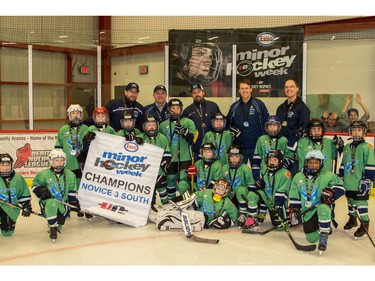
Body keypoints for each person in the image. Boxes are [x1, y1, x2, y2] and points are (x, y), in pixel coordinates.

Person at [288, 150, 345, 254]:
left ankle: (324, 234)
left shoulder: (328, 175)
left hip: (322, 207)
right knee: (311, 238)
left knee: (323, 208)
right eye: (310, 162)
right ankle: (326, 226)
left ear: (321, 163)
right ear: (306, 163)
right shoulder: (298, 176)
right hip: (308, 211)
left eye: (316, 163)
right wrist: (295, 209)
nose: (313, 165)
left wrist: (331, 194)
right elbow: (294, 194)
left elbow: (341, 188)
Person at [32, 149, 81, 241]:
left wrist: (73, 202)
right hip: (48, 202)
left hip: (63, 203)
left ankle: (55, 225)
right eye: (56, 160)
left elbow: (71, 190)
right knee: (52, 204)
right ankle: (52, 227)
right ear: (51, 161)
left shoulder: (70, 175)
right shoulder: (44, 174)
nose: (59, 162)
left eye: (61, 160)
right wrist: (41, 190)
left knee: (60, 225)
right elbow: (35, 186)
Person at [339, 121, 375, 239]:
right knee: (350, 201)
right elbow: (343, 165)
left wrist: (367, 180)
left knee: (361, 203)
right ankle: (353, 219)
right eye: (354, 129)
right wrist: (341, 177)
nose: (356, 132)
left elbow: (370, 165)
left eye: (359, 130)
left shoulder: (367, 147)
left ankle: (365, 224)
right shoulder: (347, 147)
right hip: (349, 181)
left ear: (364, 132)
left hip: (361, 182)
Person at [244, 150, 292, 230]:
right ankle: (254, 218)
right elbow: (262, 184)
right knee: (252, 195)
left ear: (280, 161)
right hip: (266, 198)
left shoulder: (286, 173)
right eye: (270, 160)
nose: (272, 162)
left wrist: (278, 205)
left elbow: (284, 190)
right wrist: (259, 184)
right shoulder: (265, 170)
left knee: (280, 228)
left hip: (279, 203)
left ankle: (286, 216)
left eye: (275, 160)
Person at [159, 99, 196, 199]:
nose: (175, 110)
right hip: (171, 158)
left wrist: (186, 133)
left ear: (181, 109)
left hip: (185, 157)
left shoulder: (189, 122)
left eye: (178, 108)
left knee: (183, 181)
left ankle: (185, 202)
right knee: (170, 179)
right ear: (169, 109)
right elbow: (160, 142)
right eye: (173, 108)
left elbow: (193, 141)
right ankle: (171, 202)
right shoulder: (163, 125)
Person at [226, 78, 269, 166]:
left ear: (251, 89)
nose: (244, 90)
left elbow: (267, 123)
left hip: (256, 147)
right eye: (242, 88)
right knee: (241, 173)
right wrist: (232, 130)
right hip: (240, 147)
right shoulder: (234, 106)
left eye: (246, 88)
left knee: (257, 173)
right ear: (239, 90)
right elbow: (227, 124)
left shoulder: (259, 104)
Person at [182, 83, 221, 162]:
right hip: (196, 149)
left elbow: (221, 123)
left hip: (213, 147)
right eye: (194, 92)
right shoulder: (187, 111)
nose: (197, 94)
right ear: (191, 95)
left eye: (198, 91)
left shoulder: (213, 106)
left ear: (203, 92)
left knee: (213, 171)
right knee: (198, 172)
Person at [55, 104, 88, 194]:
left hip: (80, 164)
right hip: (67, 164)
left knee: (80, 187)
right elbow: (58, 148)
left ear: (81, 115)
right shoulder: (63, 129)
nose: (76, 115)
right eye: (73, 113)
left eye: (78, 113)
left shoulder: (86, 129)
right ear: (69, 115)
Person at [138, 114, 171, 205]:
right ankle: (149, 207)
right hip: (145, 171)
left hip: (159, 171)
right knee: (147, 192)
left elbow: (167, 154)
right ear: (144, 127)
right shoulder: (140, 137)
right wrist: (134, 141)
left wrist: (164, 165)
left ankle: (167, 207)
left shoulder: (162, 138)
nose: (152, 127)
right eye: (149, 125)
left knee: (162, 190)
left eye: (153, 124)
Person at [251, 115, 294, 181]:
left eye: (274, 125)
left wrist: (281, 167)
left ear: (279, 127)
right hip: (264, 172)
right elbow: (257, 157)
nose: (272, 127)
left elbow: (290, 158)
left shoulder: (283, 140)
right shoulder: (261, 139)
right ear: (266, 127)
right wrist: (256, 171)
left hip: (279, 172)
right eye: (270, 126)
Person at [222, 145, 255, 226]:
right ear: (228, 157)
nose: (234, 159)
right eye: (232, 156)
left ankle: (243, 213)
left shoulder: (245, 168)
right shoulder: (224, 168)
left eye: (237, 156)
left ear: (241, 157)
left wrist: (251, 201)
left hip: (242, 197)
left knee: (241, 190)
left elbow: (251, 185)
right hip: (229, 196)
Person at [0, 153, 32, 237]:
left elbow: (23, 193)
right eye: (2, 165)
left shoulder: (18, 178)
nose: (5, 168)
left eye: (8, 165)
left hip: (11, 209)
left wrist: (26, 205)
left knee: (7, 233)